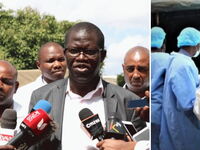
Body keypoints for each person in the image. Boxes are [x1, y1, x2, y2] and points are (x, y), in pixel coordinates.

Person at [28, 22, 145, 150]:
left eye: (89, 51)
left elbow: (141, 144)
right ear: (65, 54)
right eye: (74, 51)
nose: (81, 57)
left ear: (103, 55)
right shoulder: (41, 96)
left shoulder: (131, 101)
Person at [159, 27, 200, 150]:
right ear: (196, 45)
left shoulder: (178, 60)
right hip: (184, 125)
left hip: (178, 120)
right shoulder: (183, 65)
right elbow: (187, 103)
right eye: (199, 44)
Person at [13, 42, 66, 125]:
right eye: (51, 61)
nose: (57, 64)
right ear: (38, 65)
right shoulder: (21, 95)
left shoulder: (75, 92)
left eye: (61, 59)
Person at [150, 26, 171, 150]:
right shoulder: (169, 60)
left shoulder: (144, 59)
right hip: (163, 112)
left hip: (145, 110)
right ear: (163, 44)